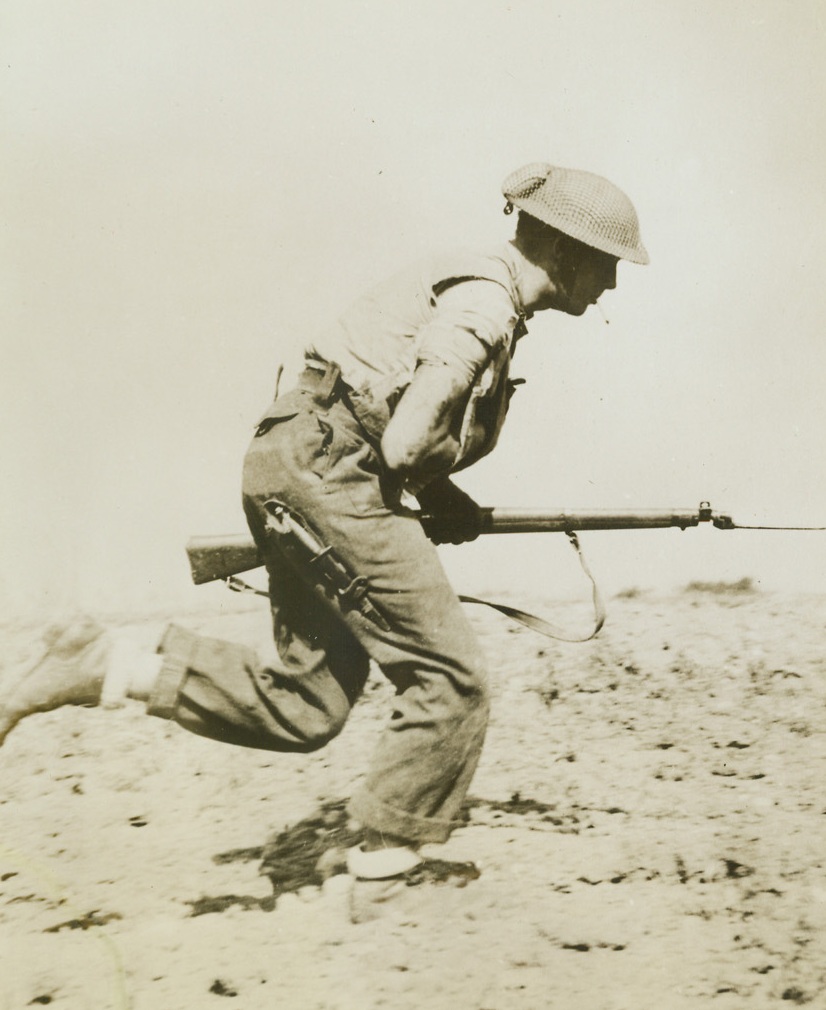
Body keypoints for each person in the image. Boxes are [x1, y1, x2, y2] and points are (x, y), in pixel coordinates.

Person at [0, 162, 648, 918]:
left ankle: (100, 663)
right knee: (453, 676)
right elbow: (406, 443)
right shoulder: (484, 307)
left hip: (303, 464)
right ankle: (381, 878)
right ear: (567, 249)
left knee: (307, 703)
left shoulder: (482, 299)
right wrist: (429, 479)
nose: (610, 286)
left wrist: (446, 501)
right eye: (607, 264)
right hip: (327, 472)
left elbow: (399, 429)